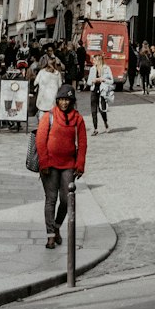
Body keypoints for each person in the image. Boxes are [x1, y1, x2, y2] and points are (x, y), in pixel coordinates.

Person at [35, 85, 87, 250]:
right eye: (62, 99)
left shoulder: (77, 118)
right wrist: (43, 163)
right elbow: (40, 140)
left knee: (66, 200)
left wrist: (80, 164)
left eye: (67, 100)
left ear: (72, 101)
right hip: (50, 164)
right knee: (51, 200)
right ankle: (50, 235)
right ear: (57, 100)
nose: (64, 103)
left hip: (68, 165)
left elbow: (83, 143)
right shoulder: (48, 116)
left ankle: (57, 226)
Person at [86, 52, 114, 135]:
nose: (93, 61)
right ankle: (95, 128)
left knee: (102, 109)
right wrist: (92, 81)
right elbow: (88, 82)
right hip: (94, 89)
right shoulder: (92, 69)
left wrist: (102, 79)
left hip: (103, 90)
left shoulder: (106, 68)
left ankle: (105, 123)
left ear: (99, 60)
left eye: (95, 60)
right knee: (93, 110)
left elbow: (111, 80)